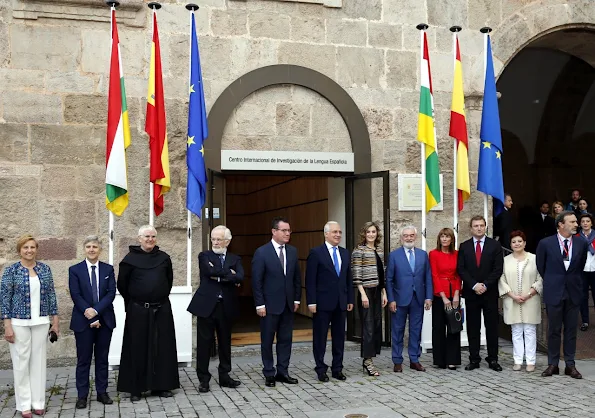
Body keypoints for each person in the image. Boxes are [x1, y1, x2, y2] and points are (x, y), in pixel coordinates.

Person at [117, 225, 180, 401]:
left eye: (153, 236)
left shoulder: (164, 258)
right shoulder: (129, 260)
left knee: (162, 348)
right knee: (137, 348)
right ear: (139, 238)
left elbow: (168, 281)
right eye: (146, 236)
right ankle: (136, 388)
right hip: (138, 310)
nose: (150, 239)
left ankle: (161, 386)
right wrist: (136, 302)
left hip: (161, 309)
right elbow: (122, 285)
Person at [1, 235, 59, 418]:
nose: (29, 250)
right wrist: (7, 326)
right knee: (21, 362)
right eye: (25, 247)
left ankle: (38, 402)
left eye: (32, 247)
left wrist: (55, 321)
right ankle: (24, 404)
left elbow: (51, 295)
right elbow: (4, 300)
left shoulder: (44, 269)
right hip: (18, 322)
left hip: (41, 322)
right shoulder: (11, 271)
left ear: (36, 249)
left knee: (38, 362)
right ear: (20, 250)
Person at [187, 226, 243, 393]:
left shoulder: (235, 258)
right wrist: (229, 275)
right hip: (206, 306)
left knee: (225, 343)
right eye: (213, 239)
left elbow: (240, 276)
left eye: (219, 239)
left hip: (226, 305)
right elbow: (208, 270)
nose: (216, 242)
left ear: (228, 241)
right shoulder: (204, 255)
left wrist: (221, 275)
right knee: (204, 344)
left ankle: (225, 376)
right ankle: (203, 379)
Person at [536, 211, 588, 379]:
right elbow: (541, 267)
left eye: (576, 222)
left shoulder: (581, 243)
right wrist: (554, 281)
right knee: (553, 329)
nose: (576, 224)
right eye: (572, 222)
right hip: (554, 291)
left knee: (571, 330)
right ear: (561, 224)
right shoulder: (545, 243)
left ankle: (570, 365)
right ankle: (553, 364)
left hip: (573, 292)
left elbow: (580, 266)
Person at [252, 217, 301, 387]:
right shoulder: (262, 252)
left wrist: (296, 299)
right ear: (274, 231)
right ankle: (269, 373)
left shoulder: (293, 251)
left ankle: (283, 371)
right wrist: (260, 304)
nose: (288, 233)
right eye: (284, 230)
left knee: (286, 339)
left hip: (288, 304)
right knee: (267, 340)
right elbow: (256, 281)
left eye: (289, 231)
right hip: (269, 306)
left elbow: (296, 278)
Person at [69, 236, 116, 409]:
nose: (91, 249)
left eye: (94, 246)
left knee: (102, 358)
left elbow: (111, 294)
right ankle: (82, 395)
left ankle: (102, 392)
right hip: (83, 320)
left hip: (105, 320)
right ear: (84, 249)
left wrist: (96, 312)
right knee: (84, 359)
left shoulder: (108, 269)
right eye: (88, 246)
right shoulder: (75, 270)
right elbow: (76, 294)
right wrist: (89, 313)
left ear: (100, 249)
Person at [306, 221, 354, 382]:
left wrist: (350, 299)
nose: (338, 235)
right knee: (320, 338)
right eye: (334, 232)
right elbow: (310, 280)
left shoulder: (345, 253)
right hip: (322, 303)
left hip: (341, 302)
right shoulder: (316, 253)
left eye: (339, 232)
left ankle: (337, 368)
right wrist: (311, 301)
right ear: (326, 234)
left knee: (339, 338)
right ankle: (320, 369)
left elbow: (348, 278)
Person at [457, 216, 503, 371]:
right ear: (471, 228)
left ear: (485, 227)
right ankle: (474, 358)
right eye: (476, 226)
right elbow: (461, 269)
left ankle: (493, 358)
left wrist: (485, 285)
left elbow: (498, 269)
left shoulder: (495, 245)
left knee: (492, 327)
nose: (479, 228)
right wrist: (474, 285)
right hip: (472, 293)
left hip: (489, 293)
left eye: (481, 225)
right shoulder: (464, 246)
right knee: (473, 327)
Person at [385, 226, 432, 373]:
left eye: (411, 235)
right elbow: (389, 280)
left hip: (418, 299)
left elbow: (428, 277)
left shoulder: (423, 255)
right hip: (399, 299)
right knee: (397, 330)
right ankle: (397, 360)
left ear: (415, 237)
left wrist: (428, 297)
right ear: (401, 238)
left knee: (416, 330)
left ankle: (414, 359)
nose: (409, 238)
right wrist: (391, 299)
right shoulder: (394, 255)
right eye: (406, 236)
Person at [498, 231, 543, 372]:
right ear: (510, 245)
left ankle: (530, 361)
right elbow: (501, 280)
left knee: (530, 331)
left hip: (531, 299)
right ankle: (517, 360)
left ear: (524, 243)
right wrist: (512, 295)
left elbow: (540, 278)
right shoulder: (505, 261)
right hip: (512, 301)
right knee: (516, 331)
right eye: (513, 242)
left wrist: (529, 293)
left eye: (519, 241)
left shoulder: (534, 259)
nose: (517, 244)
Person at [351, 221, 388, 376]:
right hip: (365, 292)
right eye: (368, 232)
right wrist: (362, 293)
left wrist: (384, 292)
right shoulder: (359, 251)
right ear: (364, 234)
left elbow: (382, 273)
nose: (371, 234)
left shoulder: (379, 251)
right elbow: (356, 273)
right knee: (368, 327)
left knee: (377, 325)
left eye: (373, 232)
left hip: (377, 292)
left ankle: (370, 357)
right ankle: (368, 361)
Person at [429, 228, 461, 370]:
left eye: (447, 236)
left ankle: (452, 359)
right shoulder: (433, 254)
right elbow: (434, 275)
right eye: (442, 236)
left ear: (451, 239)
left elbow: (459, 274)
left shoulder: (457, 254)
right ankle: (440, 359)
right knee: (438, 327)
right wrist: (443, 297)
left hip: (453, 293)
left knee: (454, 327)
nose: (444, 239)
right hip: (439, 295)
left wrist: (456, 294)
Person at [576, 213, 595, 332]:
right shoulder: (577, 237)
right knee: (583, 297)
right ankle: (585, 321)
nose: (585, 223)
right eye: (583, 221)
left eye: (587, 221)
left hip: (594, 269)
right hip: (582, 271)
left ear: (591, 223)